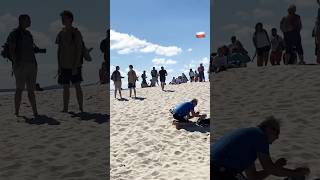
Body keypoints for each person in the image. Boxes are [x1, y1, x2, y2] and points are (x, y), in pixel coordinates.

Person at [211, 116, 310, 180]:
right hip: (218, 169)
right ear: (269, 129)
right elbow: (270, 168)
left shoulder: (248, 143)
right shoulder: (259, 135)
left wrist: (276, 167)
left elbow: (253, 177)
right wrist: (296, 173)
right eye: (277, 132)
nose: (278, 137)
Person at [7, 14, 40, 117]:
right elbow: (11, 49)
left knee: (31, 90)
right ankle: (16, 112)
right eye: (28, 20)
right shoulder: (14, 33)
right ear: (21, 21)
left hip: (31, 64)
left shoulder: (28, 34)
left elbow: (30, 49)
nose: (30, 22)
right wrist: (16, 62)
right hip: (20, 65)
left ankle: (35, 112)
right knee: (19, 89)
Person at [56, 10, 85, 113]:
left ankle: (81, 108)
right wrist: (59, 66)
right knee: (65, 87)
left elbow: (79, 50)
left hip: (75, 65)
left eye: (65, 18)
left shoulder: (76, 33)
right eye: (62, 18)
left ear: (71, 19)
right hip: (64, 65)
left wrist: (75, 65)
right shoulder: (60, 33)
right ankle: (65, 108)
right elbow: (59, 51)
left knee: (77, 86)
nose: (63, 20)